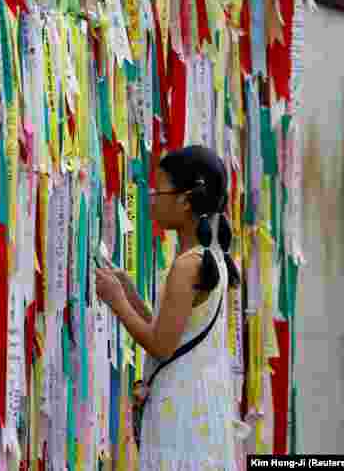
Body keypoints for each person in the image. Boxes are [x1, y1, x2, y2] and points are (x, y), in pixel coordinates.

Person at [95, 145, 247, 471]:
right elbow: (170, 331)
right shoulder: (208, 258)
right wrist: (131, 295)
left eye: (158, 191)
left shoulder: (188, 265)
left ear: (185, 199)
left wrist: (116, 301)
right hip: (198, 405)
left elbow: (161, 345)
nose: (152, 199)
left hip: (180, 408)